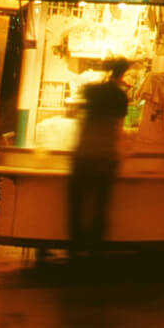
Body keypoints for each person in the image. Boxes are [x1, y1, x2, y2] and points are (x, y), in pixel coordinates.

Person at [69, 59, 132, 263]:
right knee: (100, 206)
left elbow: (79, 115)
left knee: (77, 205)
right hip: (106, 156)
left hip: (84, 153)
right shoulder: (120, 96)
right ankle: (95, 250)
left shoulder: (91, 90)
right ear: (122, 73)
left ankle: (75, 248)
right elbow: (119, 125)